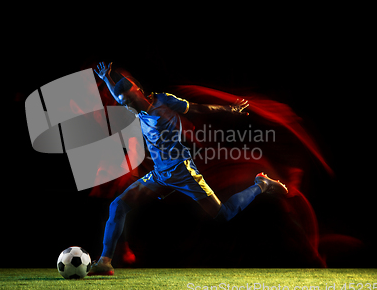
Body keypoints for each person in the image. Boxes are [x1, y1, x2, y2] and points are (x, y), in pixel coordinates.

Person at [89, 62, 288, 275]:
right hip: (160, 174)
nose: (127, 105)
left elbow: (197, 108)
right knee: (118, 206)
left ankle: (261, 185)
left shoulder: (163, 101)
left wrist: (229, 110)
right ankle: (105, 262)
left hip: (182, 171)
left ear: (139, 91)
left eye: (129, 99)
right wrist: (106, 78)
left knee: (223, 215)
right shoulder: (135, 109)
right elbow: (120, 93)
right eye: (123, 102)